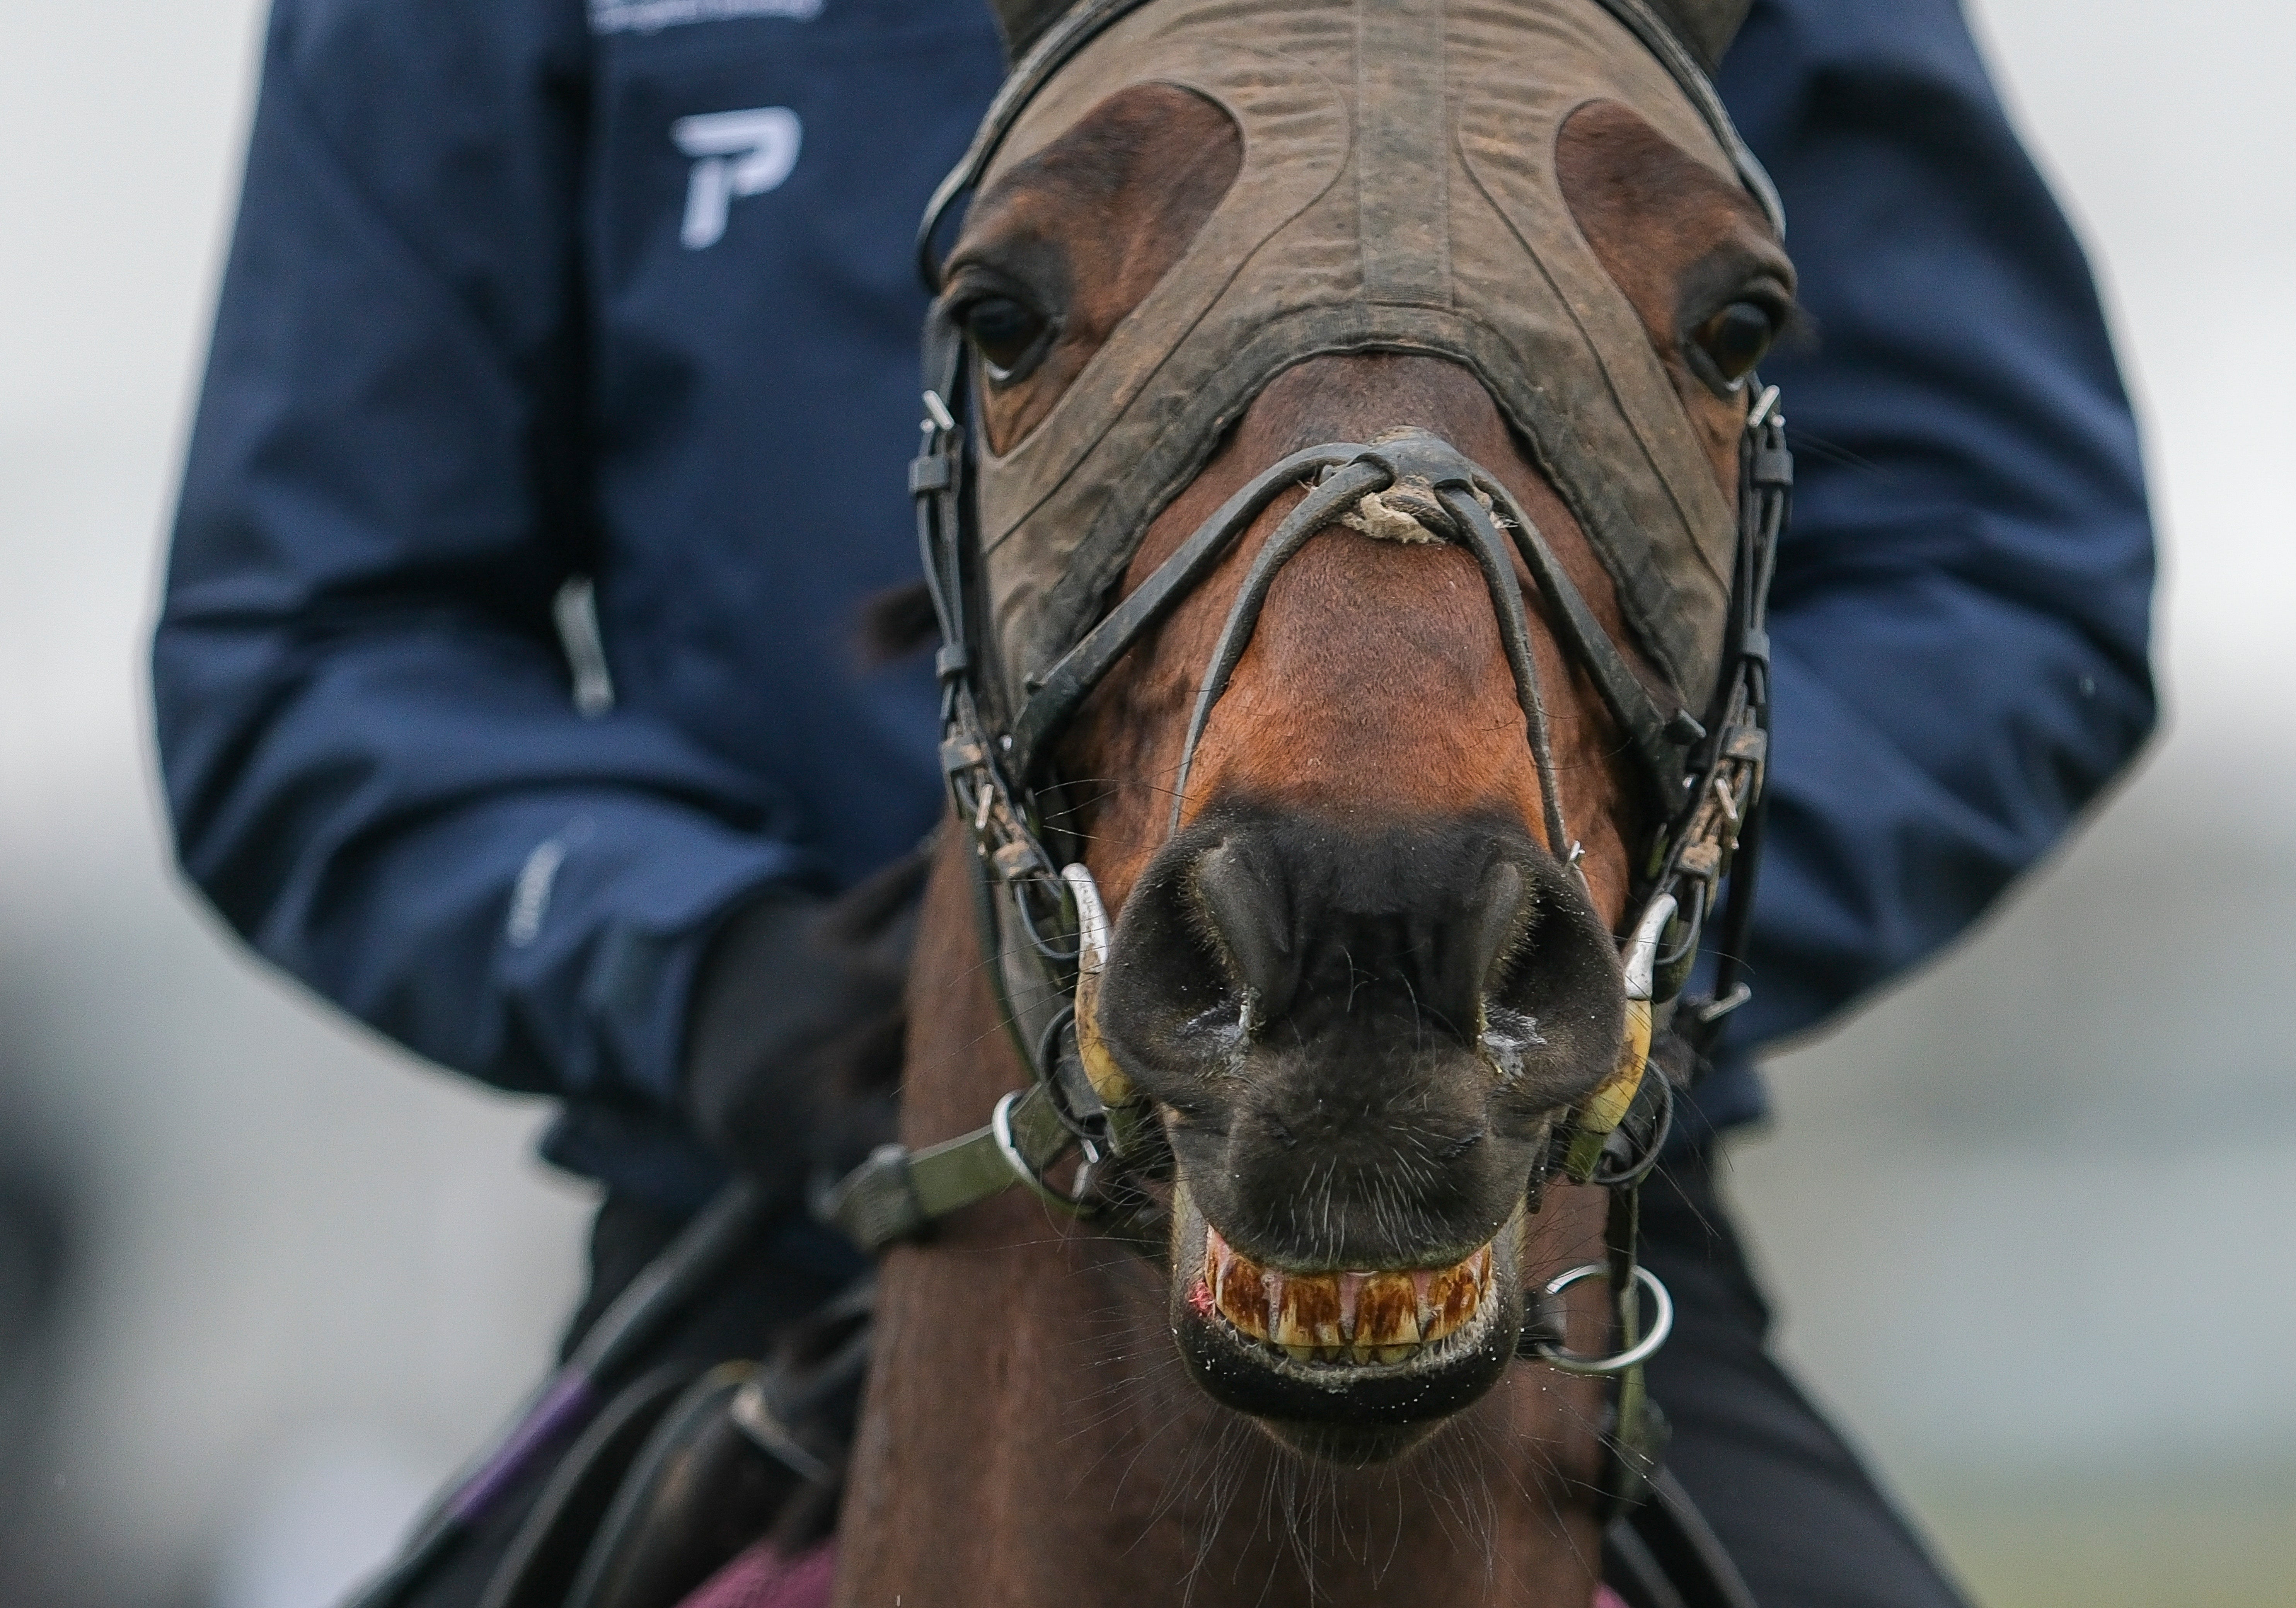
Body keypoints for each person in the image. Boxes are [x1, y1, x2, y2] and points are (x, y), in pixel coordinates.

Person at [153, 0, 2155, 1603]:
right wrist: (701, 973)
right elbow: (308, 654)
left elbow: (2009, 559)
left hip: (1546, 1198)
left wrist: (1585, 932)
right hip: (777, 1197)